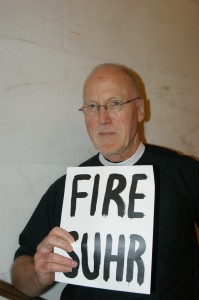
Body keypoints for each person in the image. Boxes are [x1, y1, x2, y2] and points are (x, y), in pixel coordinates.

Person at [11, 63, 199, 300]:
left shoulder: (183, 173)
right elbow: (21, 275)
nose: (103, 119)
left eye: (115, 103)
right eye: (92, 106)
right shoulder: (68, 187)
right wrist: (38, 273)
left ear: (140, 110)